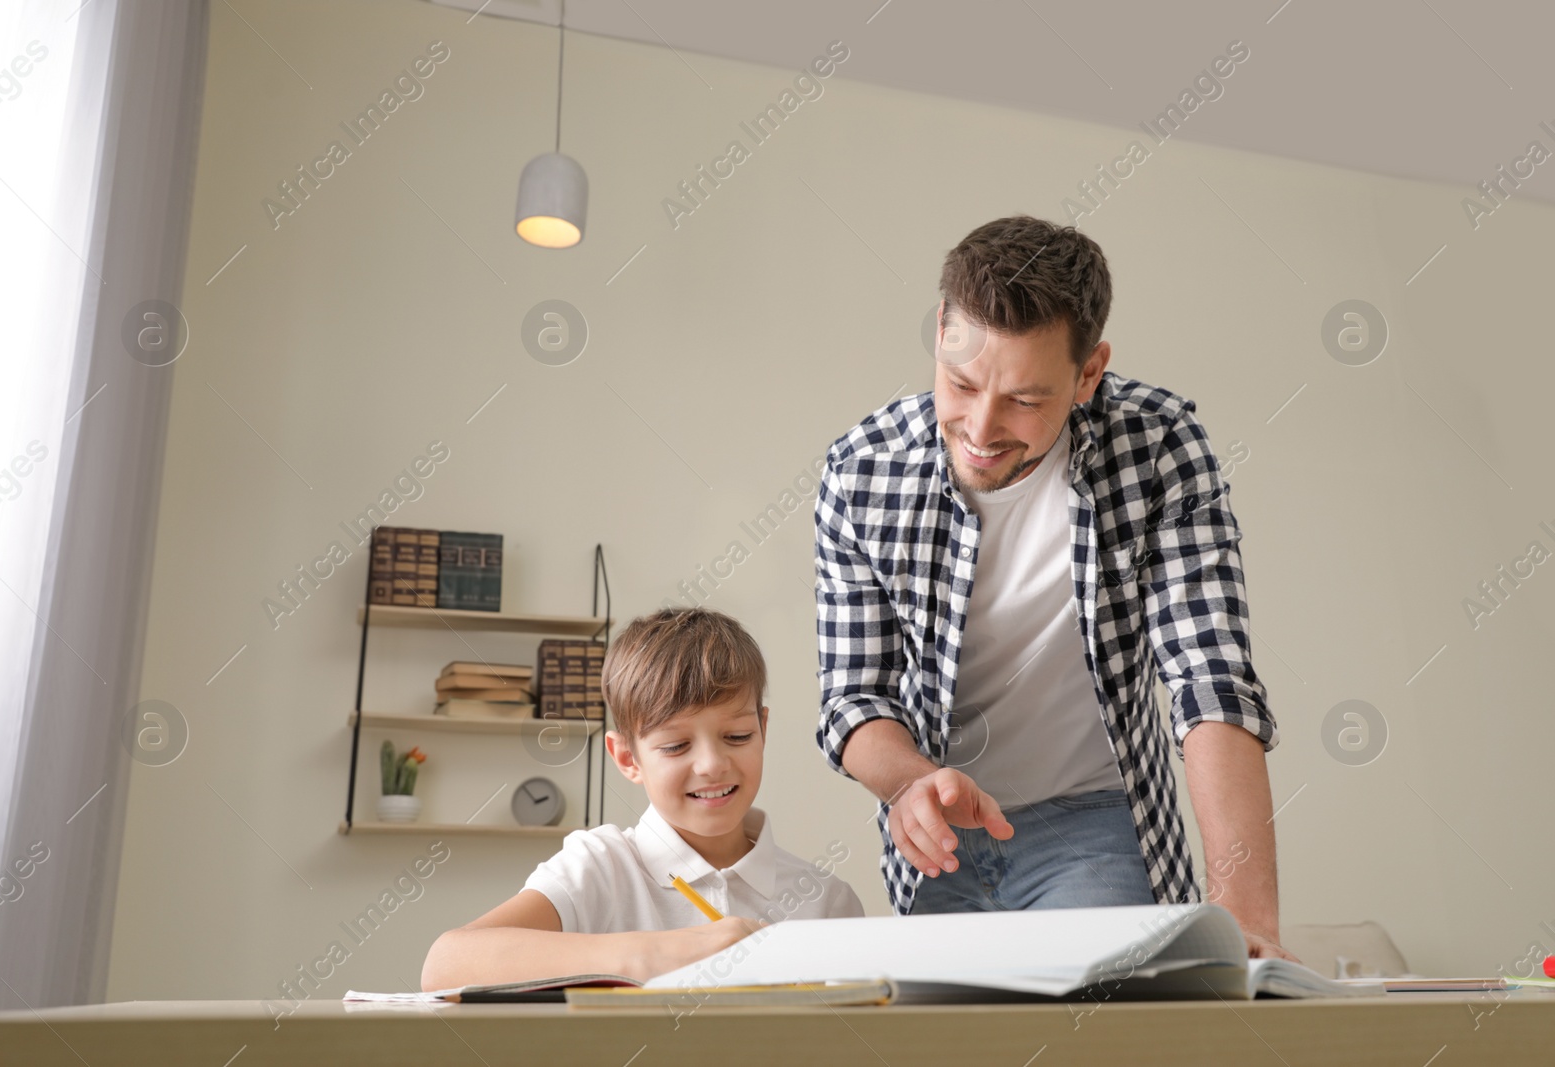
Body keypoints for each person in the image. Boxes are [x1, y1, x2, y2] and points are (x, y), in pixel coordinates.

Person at [813, 214, 1299, 960]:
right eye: (961, 382)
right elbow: (855, 697)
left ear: (1088, 373)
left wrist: (1247, 920)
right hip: (939, 834)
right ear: (941, 327)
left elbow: (1210, 681)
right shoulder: (860, 472)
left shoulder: (1159, 447)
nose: (980, 425)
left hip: (1096, 824)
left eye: (1025, 400)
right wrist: (911, 782)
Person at [421, 607, 863, 990]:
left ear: (763, 730)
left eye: (737, 735)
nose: (712, 764)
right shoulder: (600, 866)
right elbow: (446, 964)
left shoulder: (826, 901)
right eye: (675, 746)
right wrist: (651, 953)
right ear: (628, 758)